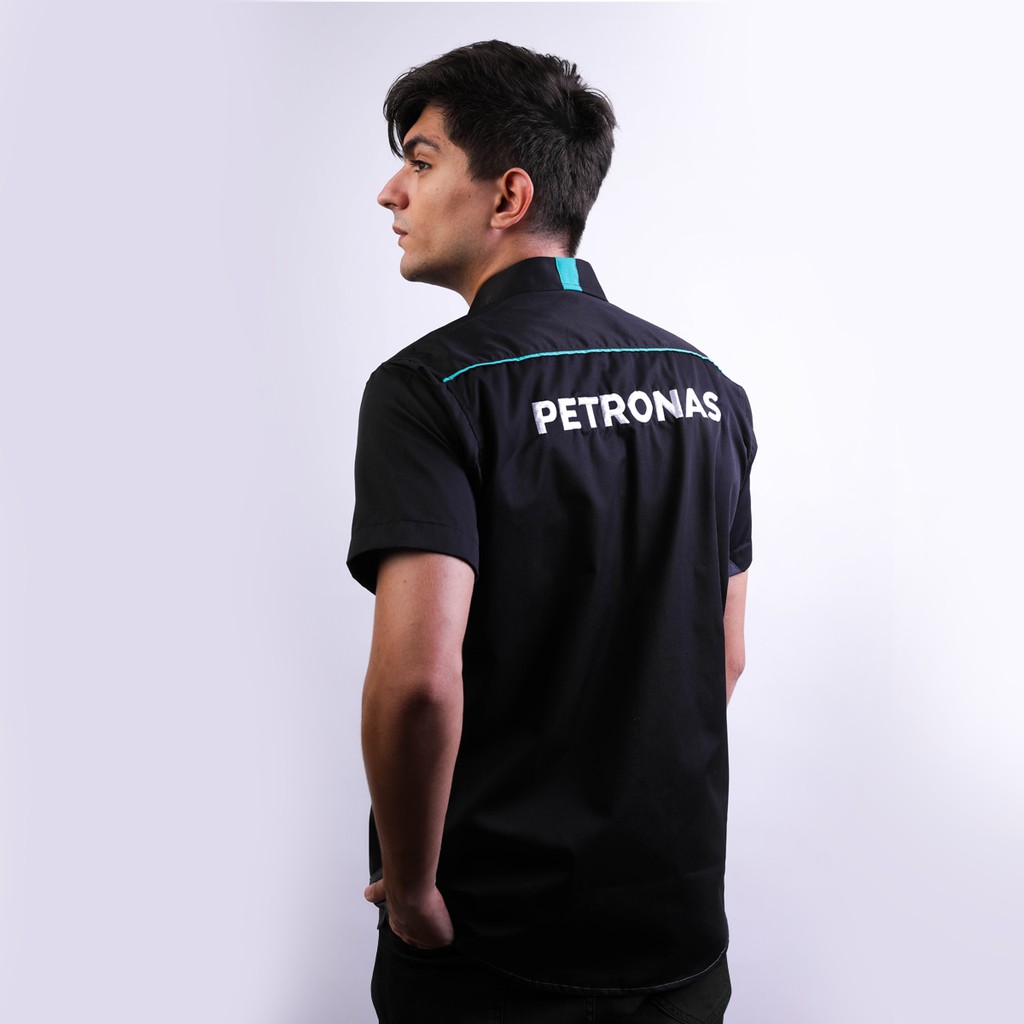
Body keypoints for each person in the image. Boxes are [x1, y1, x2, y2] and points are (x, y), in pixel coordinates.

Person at [348, 40, 755, 1024]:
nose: (391, 192)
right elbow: (725, 654)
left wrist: (414, 888)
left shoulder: (429, 390)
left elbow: (416, 683)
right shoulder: (710, 388)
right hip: (676, 940)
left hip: (496, 953)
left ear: (509, 195)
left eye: (421, 160)